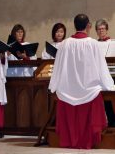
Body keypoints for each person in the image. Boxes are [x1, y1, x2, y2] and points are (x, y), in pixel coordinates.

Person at [48, 14, 114, 149]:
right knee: (98, 94)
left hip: (67, 91)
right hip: (89, 92)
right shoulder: (93, 44)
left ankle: (69, 140)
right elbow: (101, 67)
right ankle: (88, 141)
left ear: (75, 25)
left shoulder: (64, 44)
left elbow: (58, 67)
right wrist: (109, 85)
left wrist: (53, 86)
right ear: (88, 26)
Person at [95, 19, 115, 126]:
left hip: (112, 74)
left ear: (107, 30)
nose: (101, 31)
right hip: (98, 76)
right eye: (99, 29)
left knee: (111, 99)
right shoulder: (94, 44)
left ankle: (112, 123)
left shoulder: (113, 43)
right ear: (96, 31)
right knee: (103, 101)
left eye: (103, 29)